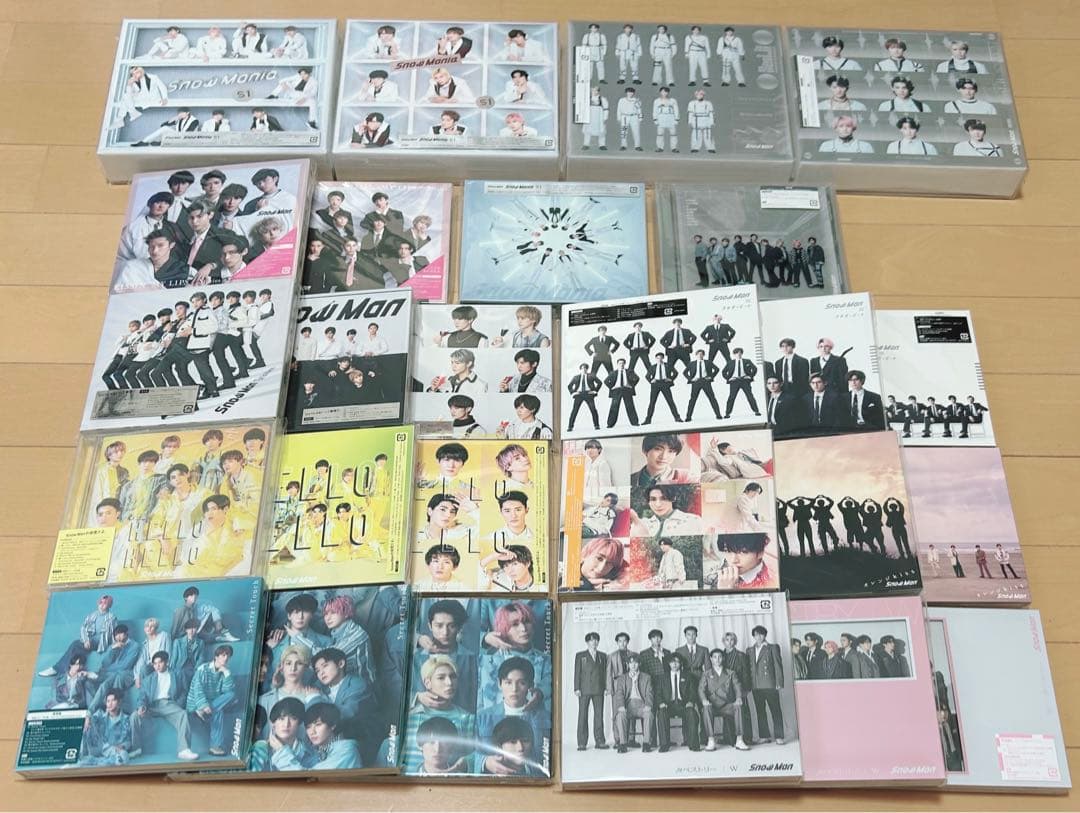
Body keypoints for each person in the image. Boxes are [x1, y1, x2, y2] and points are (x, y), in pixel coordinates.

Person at [135, 650, 198, 760]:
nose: (157, 666)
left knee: (183, 714)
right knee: (134, 716)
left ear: (167, 662)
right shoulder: (148, 679)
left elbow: (184, 691)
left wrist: (178, 704)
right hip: (151, 706)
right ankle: (135, 749)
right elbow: (142, 696)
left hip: (168, 704)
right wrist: (141, 706)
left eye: (160, 662)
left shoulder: (177, 674)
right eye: (155, 664)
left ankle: (184, 750)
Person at [186, 644, 237, 756]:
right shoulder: (203, 669)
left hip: (211, 705)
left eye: (228, 656)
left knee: (231, 695)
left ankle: (214, 747)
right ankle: (215, 746)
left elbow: (227, 691)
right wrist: (203, 705)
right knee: (218, 711)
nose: (226, 658)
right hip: (196, 704)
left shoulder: (224, 672)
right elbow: (197, 689)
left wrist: (227, 673)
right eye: (223, 655)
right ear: (216, 656)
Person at [699, 648, 749, 751]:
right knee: (706, 708)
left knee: (738, 707)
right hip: (713, 705)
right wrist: (704, 700)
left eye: (720, 657)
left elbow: (737, 687)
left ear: (723, 658)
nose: (717, 659)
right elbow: (701, 689)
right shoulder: (706, 674)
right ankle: (711, 740)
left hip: (727, 705)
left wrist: (738, 698)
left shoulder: (731, 673)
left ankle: (739, 740)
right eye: (715, 657)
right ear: (711, 659)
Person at [747, 625, 785, 744]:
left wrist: (779, 682)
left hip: (770, 684)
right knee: (760, 711)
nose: (759, 637)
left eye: (761, 634)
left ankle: (779, 736)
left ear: (765, 635)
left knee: (775, 710)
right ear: (753, 636)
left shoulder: (772, 647)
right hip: (756, 685)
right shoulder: (750, 650)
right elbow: (749, 669)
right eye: (756, 634)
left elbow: (778, 665)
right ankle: (764, 736)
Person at [80, 689, 137, 766]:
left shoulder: (126, 719)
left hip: (114, 750)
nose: (110, 704)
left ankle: (102, 761)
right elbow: (91, 722)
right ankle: (84, 755)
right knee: (87, 724)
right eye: (108, 701)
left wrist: (122, 746)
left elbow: (128, 741)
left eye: (113, 700)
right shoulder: (100, 714)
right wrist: (88, 718)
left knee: (124, 756)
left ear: (119, 702)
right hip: (99, 747)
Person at [573, 633, 609, 751]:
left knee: (599, 715)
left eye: (596, 640)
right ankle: (581, 743)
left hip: (599, 689)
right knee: (582, 715)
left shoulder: (603, 656)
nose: (594, 642)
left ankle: (600, 741)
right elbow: (577, 672)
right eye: (592, 640)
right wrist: (576, 688)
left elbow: (605, 673)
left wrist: (606, 687)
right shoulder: (580, 655)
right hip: (584, 689)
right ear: (587, 642)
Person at [611, 654, 653, 753]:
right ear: (628, 664)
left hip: (641, 705)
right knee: (620, 715)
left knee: (649, 714)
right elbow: (619, 693)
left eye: (635, 663)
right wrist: (621, 706)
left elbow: (649, 693)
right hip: (628, 706)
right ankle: (623, 744)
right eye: (631, 663)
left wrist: (648, 705)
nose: (633, 665)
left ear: (639, 664)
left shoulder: (646, 677)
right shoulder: (622, 678)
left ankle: (646, 743)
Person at [701, 438, 767, 480]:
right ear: (723, 450)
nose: (732, 448)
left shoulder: (738, 454)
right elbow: (723, 462)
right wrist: (714, 448)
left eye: (731, 447)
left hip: (755, 465)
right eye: (730, 448)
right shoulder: (728, 457)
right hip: (752, 468)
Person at [644, 352, 682, 423]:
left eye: (661, 358)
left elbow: (675, 373)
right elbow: (647, 376)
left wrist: (670, 379)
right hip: (655, 385)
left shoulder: (668, 365)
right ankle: (648, 420)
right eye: (658, 358)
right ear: (656, 359)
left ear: (663, 358)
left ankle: (677, 418)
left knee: (670, 401)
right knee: (652, 402)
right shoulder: (653, 367)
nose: (659, 359)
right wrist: (651, 380)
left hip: (665, 384)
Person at [722, 347, 760, 418]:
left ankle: (756, 411)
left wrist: (750, 376)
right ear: (734, 354)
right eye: (737, 353)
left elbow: (755, 368)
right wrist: (729, 378)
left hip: (745, 381)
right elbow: (724, 372)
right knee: (731, 397)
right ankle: (727, 413)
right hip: (734, 381)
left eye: (740, 353)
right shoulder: (730, 362)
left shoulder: (747, 361)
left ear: (742, 354)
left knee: (750, 396)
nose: (738, 354)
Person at [566, 363, 602, 432]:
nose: (584, 369)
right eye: (582, 368)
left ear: (587, 369)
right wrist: (573, 392)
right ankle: (570, 427)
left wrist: (595, 391)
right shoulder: (576, 377)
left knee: (593, 410)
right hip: (579, 395)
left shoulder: (591, 376)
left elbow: (599, 383)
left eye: (585, 368)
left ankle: (596, 425)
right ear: (580, 369)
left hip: (588, 394)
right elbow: (569, 386)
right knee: (574, 411)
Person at [686, 88, 716, 153]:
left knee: (708, 134)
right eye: (698, 94)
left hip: (706, 119)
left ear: (703, 95)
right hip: (696, 120)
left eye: (701, 94)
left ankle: (710, 148)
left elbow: (711, 113)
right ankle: (695, 147)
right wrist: (689, 122)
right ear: (695, 95)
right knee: (696, 135)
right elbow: (690, 113)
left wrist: (712, 122)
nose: (699, 96)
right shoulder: (692, 103)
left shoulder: (708, 103)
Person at [652, 86, 679, 152]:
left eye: (666, 92)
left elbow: (676, 110)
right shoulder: (657, 101)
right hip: (661, 118)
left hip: (671, 117)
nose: (664, 93)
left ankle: (674, 148)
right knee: (660, 133)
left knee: (673, 133)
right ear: (660, 92)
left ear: (668, 92)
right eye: (663, 92)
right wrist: (655, 119)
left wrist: (676, 119)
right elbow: (655, 110)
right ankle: (660, 147)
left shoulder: (672, 100)